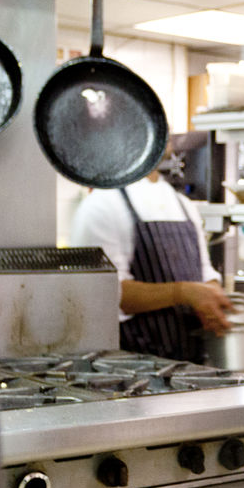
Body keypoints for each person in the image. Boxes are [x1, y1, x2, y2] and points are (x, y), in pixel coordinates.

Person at [71, 154, 232, 363]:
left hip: (191, 368)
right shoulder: (100, 205)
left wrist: (211, 295)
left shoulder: (184, 205)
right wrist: (182, 292)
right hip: (130, 369)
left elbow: (204, 270)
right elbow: (107, 294)